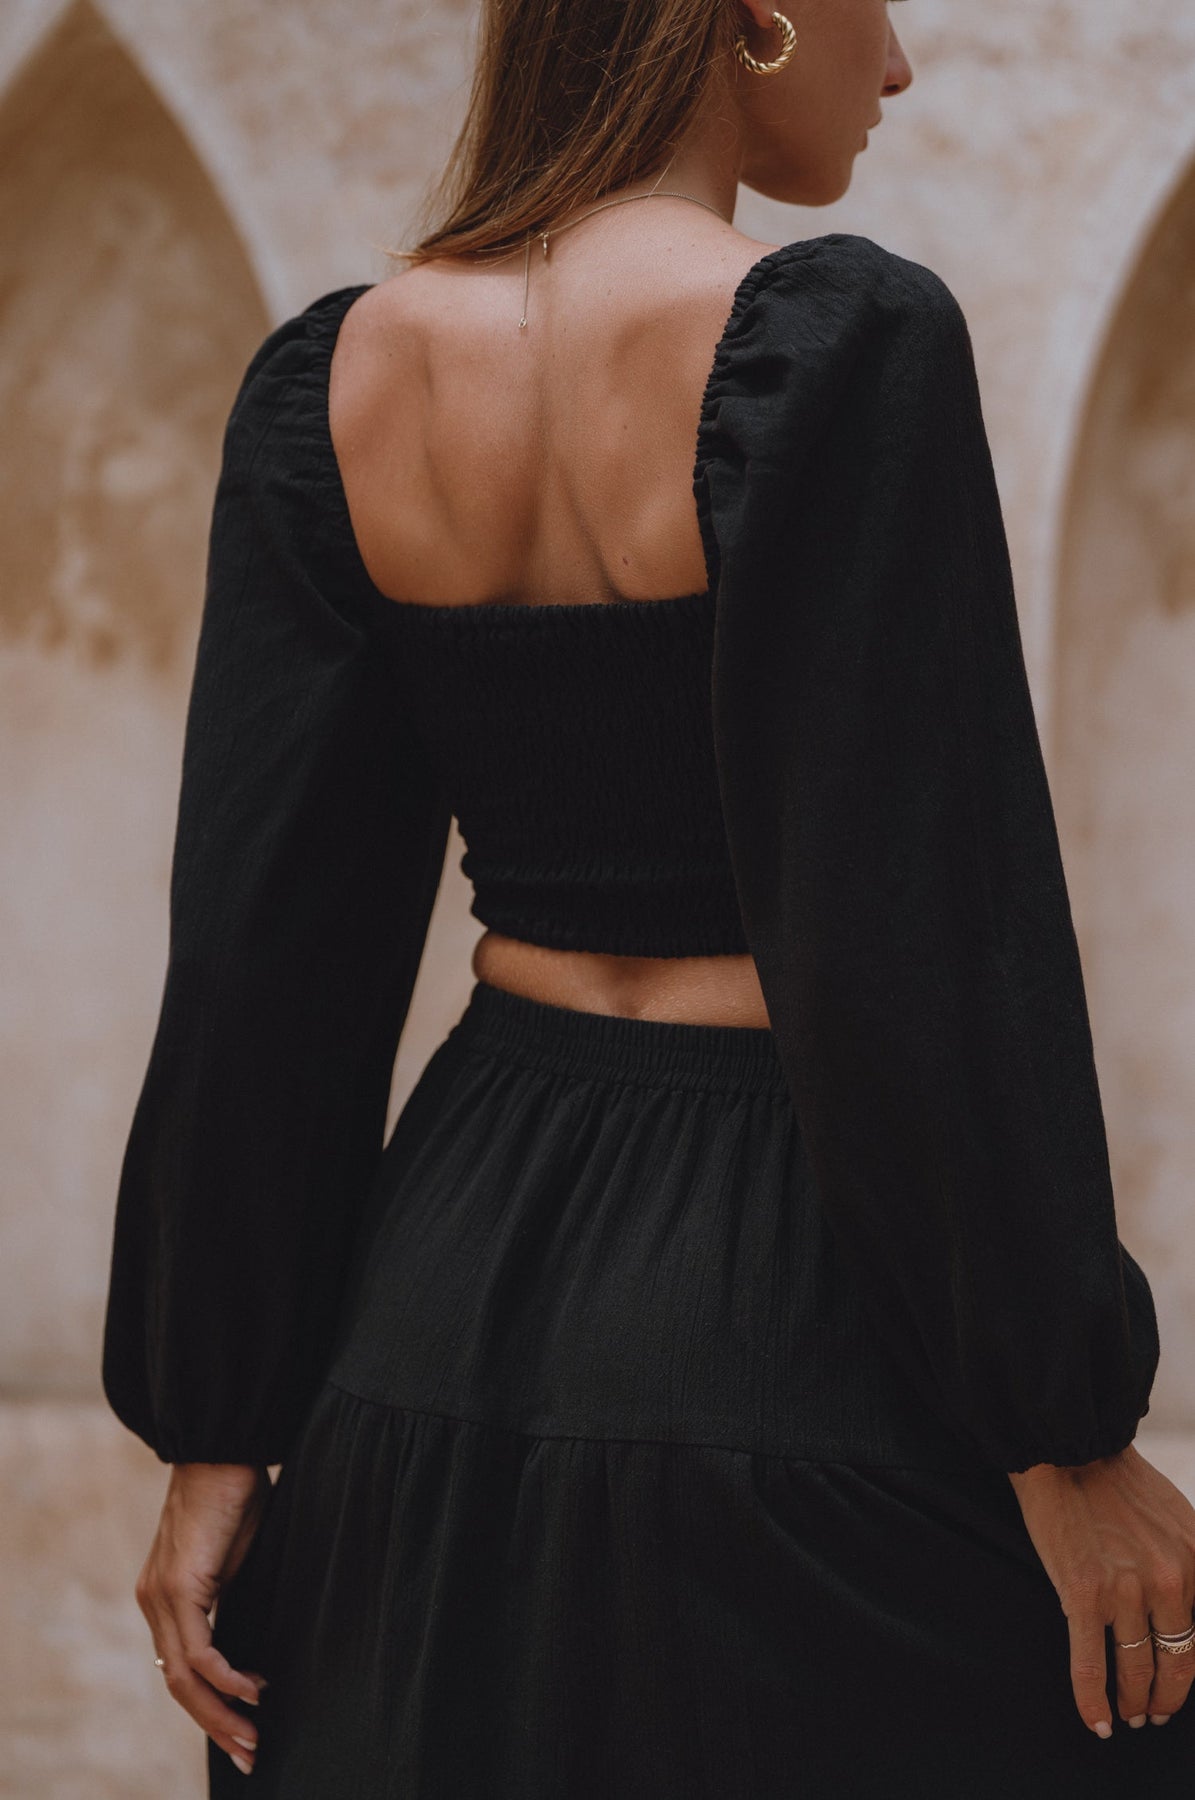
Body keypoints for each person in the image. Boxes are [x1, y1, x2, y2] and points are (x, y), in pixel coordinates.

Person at [100, 3, 1195, 1794]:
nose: (897, 64)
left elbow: (262, 949)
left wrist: (219, 1424)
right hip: (794, 1297)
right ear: (754, 10)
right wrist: (1061, 1432)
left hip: (443, 1289)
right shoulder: (845, 340)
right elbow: (922, 927)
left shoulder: (336, 379)